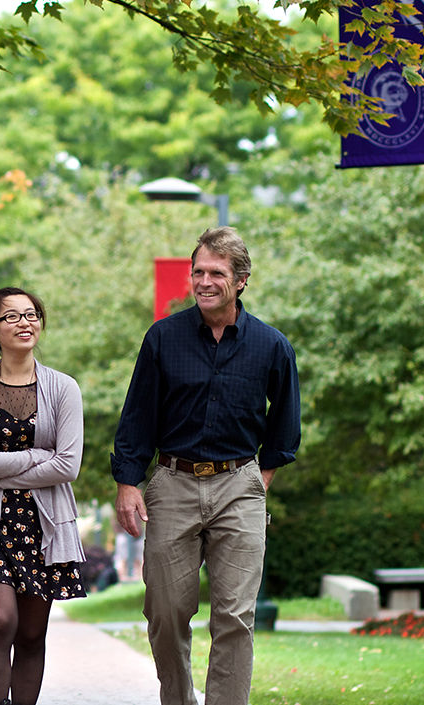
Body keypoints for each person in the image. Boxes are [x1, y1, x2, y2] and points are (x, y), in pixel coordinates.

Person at [111, 227, 300, 705]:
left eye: (217, 272)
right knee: (166, 610)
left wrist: (260, 479)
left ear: (240, 281)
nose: (205, 280)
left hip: (240, 485)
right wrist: (128, 484)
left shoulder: (271, 346)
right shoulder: (162, 338)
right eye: (198, 271)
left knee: (235, 616)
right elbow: (137, 416)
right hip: (172, 483)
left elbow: (285, 423)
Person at [0, 287, 85, 705]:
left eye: (32, 315)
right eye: (11, 317)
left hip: (44, 523)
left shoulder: (64, 388)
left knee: (32, 633)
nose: (25, 322)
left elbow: (68, 465)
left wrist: (0, 473)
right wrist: (34, 456)